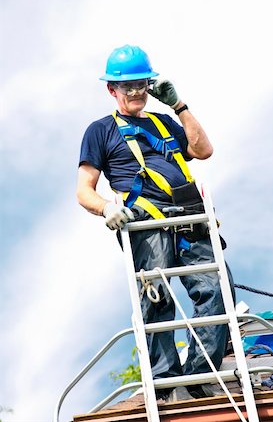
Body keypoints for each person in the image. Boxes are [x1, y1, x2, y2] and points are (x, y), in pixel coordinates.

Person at [76, 44, 235, 401]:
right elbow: (83, 189)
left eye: (141, 84)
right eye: (127, 86)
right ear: (111, 90)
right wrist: (105, 209)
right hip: (147, 225)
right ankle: (164, 383)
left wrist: (179, 106)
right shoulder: (101, 131)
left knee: (218, 291)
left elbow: (203, 150)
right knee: (156, 299)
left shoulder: (165, 123)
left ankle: (200, 376)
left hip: (191, 220)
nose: (135, 93)